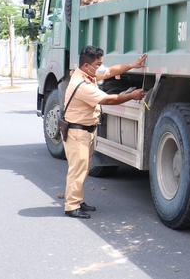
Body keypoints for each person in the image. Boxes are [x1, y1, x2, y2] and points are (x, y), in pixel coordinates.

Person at [63, 45, 147, 219]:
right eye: (98, 63)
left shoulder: (87, 74)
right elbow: (107, 99)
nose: (101, 66)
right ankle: (71, 206)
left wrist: (133, 65)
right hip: (78, 132)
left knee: (83, 168)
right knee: (78, 169)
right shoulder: (81, 84)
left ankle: (78, 201)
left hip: (85, 131)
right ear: (87, 66)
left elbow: (110, 71)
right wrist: (131, 96)